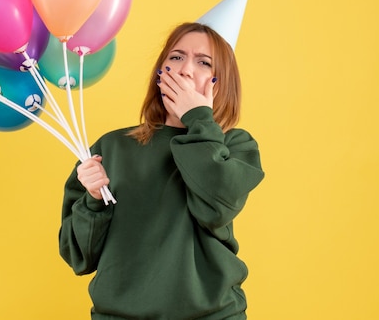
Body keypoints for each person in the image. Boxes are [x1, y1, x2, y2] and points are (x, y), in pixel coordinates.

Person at [59, 22, 265, 319]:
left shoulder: (235, 146)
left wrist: (198, 119)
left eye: (204, 62)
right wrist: (92, 200)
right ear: (160, 72)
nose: (184, 70)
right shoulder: (112, 147)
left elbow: (216, 209)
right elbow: (78, 256)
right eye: (176, 57)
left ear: (221, 82)